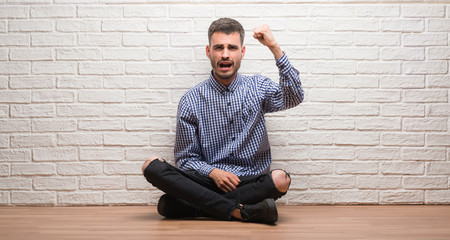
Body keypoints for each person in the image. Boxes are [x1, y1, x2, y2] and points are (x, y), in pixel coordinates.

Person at [142, 18, 304, 224]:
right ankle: (240, 211)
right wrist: (213, 172)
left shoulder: (258, 87)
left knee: (281, 179)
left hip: (249, 181)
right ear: (209, 52)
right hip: (209, 182)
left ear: (242, 52)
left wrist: (274, 47)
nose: (225, 54)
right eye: (219, 47)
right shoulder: (191, 100)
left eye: (232, 48)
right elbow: (185, 159)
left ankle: (195, 207)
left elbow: (294, 96)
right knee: (151, 166)